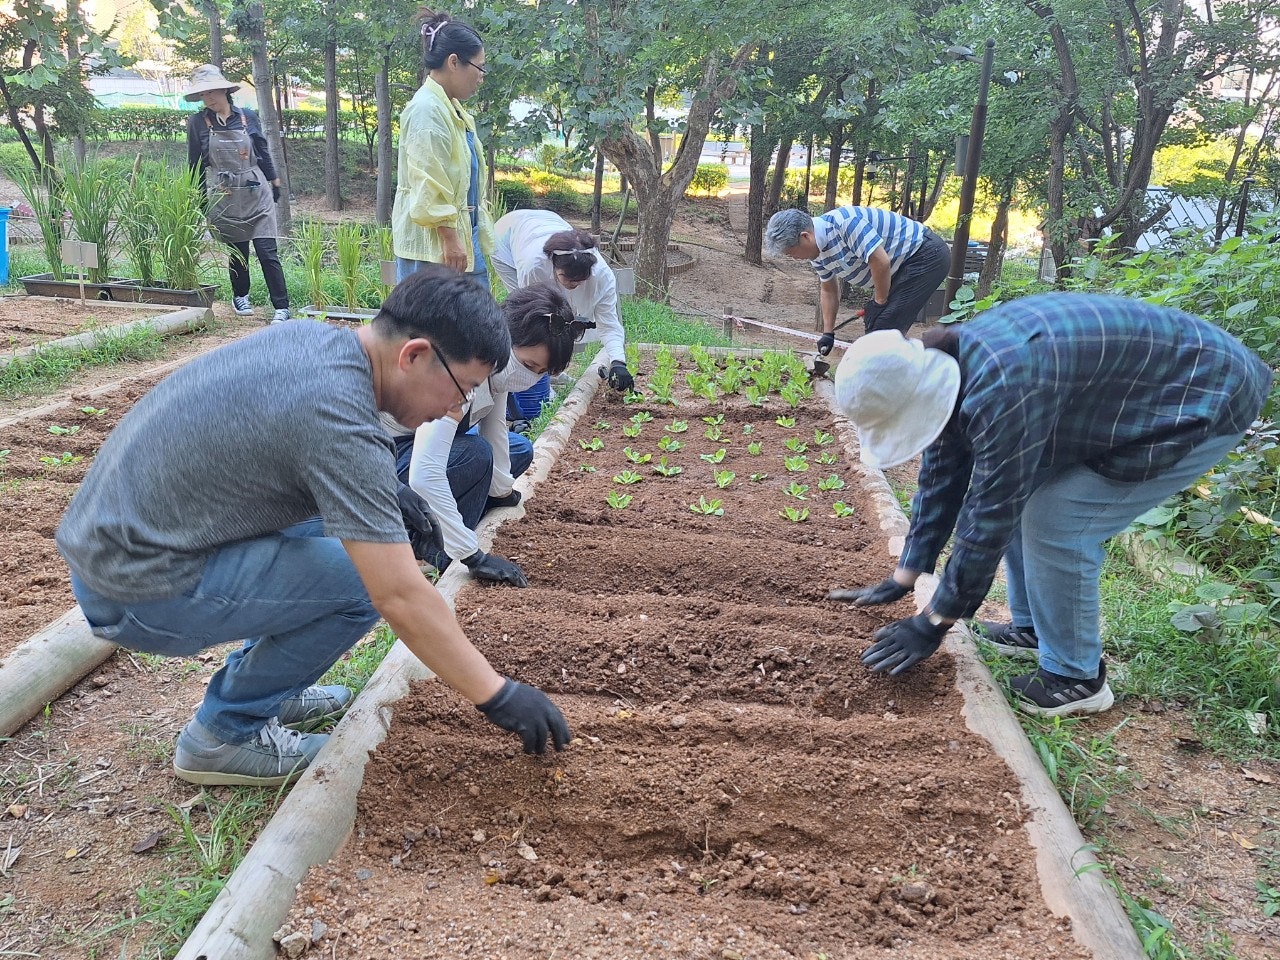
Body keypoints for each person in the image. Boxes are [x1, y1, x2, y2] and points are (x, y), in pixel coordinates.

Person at [55, 266, 572, 788]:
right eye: (462, 388)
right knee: (362, 582)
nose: (457, 407)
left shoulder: (315, 339)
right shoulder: (339, 417)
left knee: (349, 536)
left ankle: (269, 684)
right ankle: (224, 735)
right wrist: (496, 692)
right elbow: (399, 595)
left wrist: (385, 491)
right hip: (137, 585)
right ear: (413, 355)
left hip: (127, 545)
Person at [829, 293, 1271, 717]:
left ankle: (1077, 678)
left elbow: (990, 513)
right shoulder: (953, 364)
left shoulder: (1004, 386)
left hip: (1204, 397)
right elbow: (941, 478)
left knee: (1059, 522)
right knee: (1031, 505)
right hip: (1135, 391)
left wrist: (935, 620)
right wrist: (908, 572)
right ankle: (1031, 630)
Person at [388, 282, 585, 585]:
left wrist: (505, 494)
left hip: (420, 444)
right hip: (383, 462)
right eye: (529, 364)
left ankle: (463, 516)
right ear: (503, 338)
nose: (531, 376)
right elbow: (424, 474)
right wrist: (472, 555)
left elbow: (495, 427)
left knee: (517, 450)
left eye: (540, 372)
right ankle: (430, 548)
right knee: (478, 454)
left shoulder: (493, 362)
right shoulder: (460, 366)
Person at [492, 210, 634, 420]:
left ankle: (551, 371)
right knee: (538, 333)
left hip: (546, 224)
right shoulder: (534, 266)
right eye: (567, 280)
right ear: (553, 265)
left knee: (561, 325)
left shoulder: (603, 277)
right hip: (506, 241)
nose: (574, 285)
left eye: (580, 281)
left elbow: (609, 322)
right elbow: (532, 320)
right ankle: (533, 385)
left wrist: (618, 362)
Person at [391, 9, 493, 290]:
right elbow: (428, 180)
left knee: (474, 325)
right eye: (479, 67)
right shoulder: (427, 110)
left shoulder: (452, 109)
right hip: (437, 245)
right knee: (432, 327)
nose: (481, 77)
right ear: (453, 62)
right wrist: (449, 238)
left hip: (460, 236)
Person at [184, 64, 291, 324]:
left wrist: (274, 181)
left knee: (267, 251)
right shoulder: (197, 123)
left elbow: (262, 150)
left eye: (212, 91)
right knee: (237, 252)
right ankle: (240, 295)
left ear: (224, 90)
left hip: (256, 190)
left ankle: (282, 307)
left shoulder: (247, 117)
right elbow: (195, 164)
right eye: (203, 94)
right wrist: (200, 200)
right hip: (225, 194)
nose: (208, 97)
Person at [764, 205, 949, 354]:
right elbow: (828, 290)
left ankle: (897, 380)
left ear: (805, 236)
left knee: (883, 327)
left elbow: (881, 261)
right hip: (901, 267)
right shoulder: (816, 253)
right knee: (879, 327)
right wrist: (828, 333)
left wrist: (879, 302)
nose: (793, 258)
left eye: (791, 252)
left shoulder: (845, 224)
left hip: (925, 254)